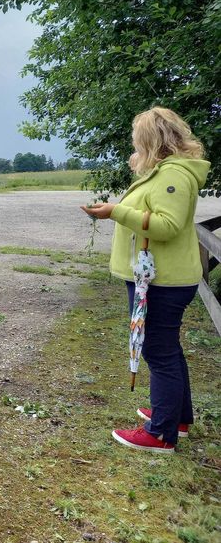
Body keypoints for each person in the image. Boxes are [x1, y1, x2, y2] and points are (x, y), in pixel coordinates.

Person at [81, 107, 209, 454]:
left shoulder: (174, 176)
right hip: (158, 278)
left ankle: (160, 434)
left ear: (152, 140)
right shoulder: (165, 172)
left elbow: (166, 225)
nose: (134, 146)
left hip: (162, 281)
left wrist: (116, 212)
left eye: (139, 141)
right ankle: (176, 417)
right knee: (167, 348)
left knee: (158, 350)